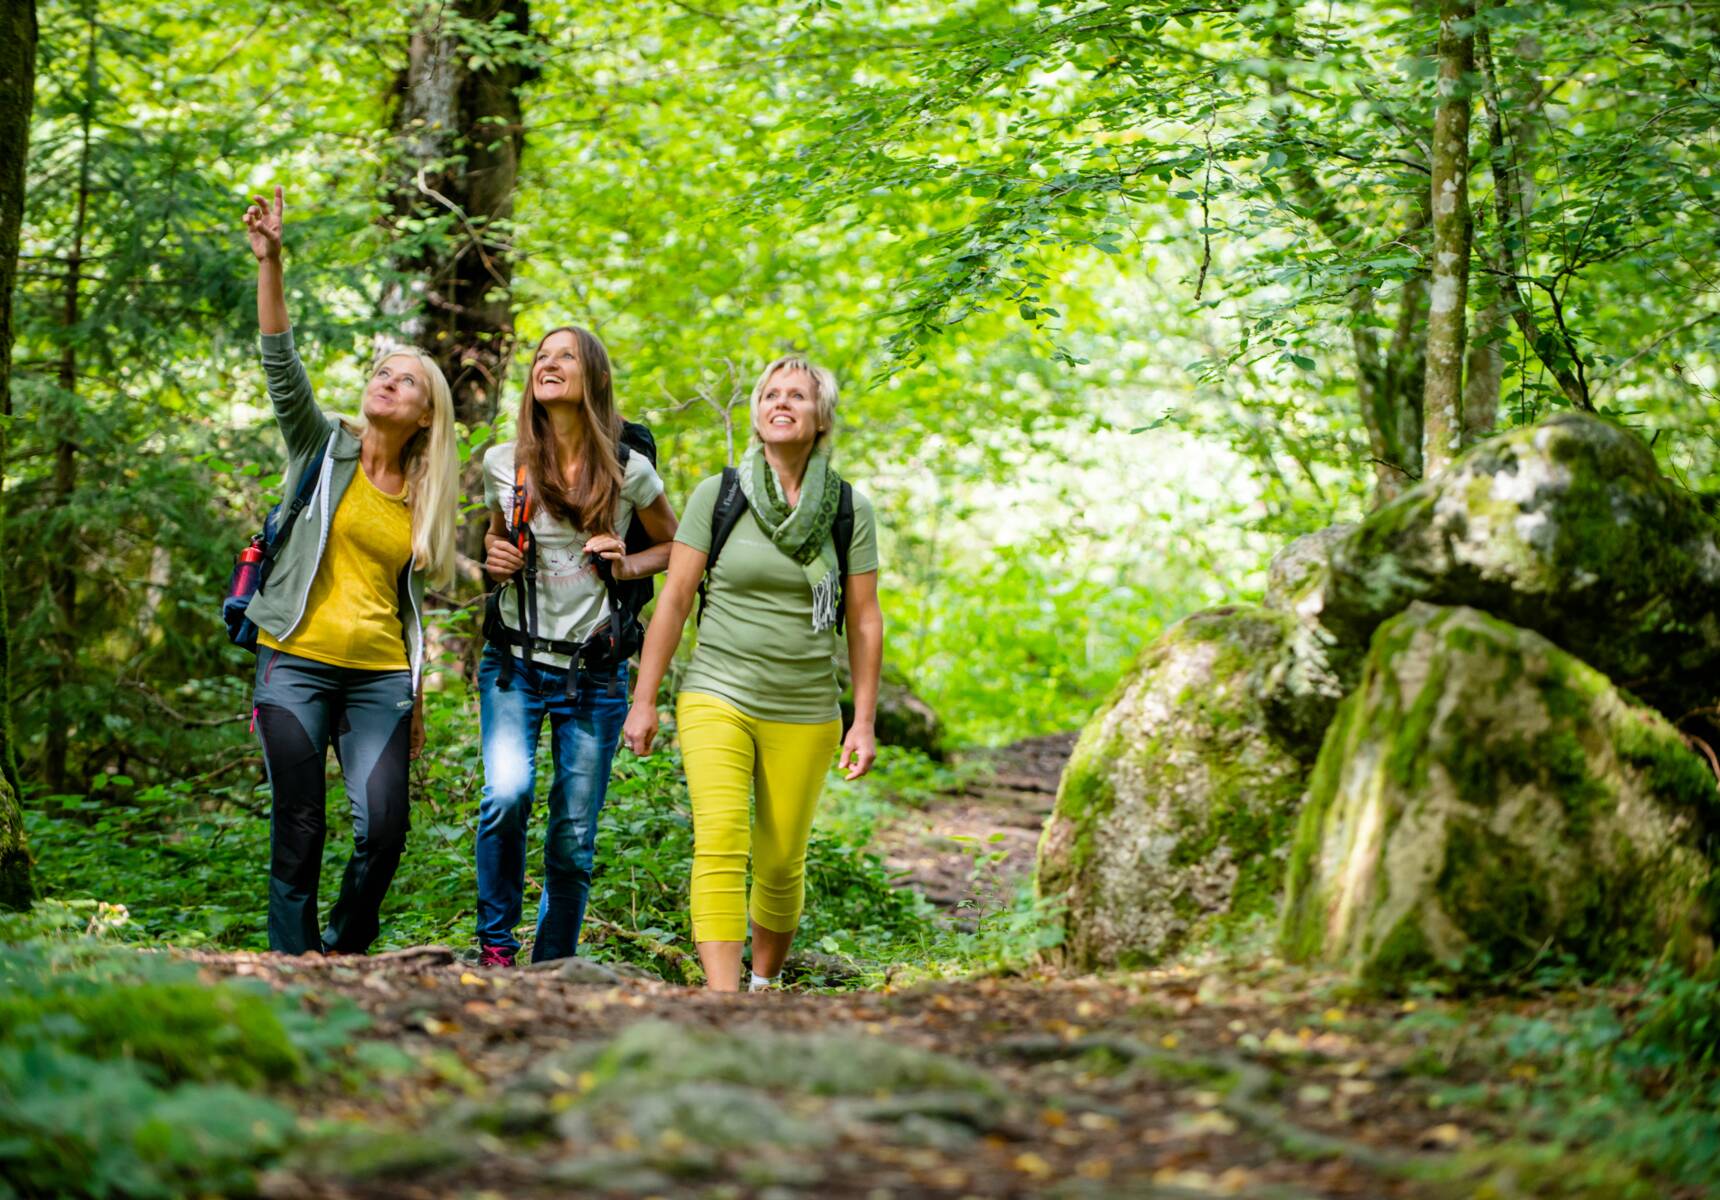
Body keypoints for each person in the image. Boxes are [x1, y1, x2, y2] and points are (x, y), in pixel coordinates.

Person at [241, 187, 458, 955]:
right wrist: (273, 262)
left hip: (379, 679)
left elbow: (415, 605)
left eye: (404, 381)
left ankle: (345, 948)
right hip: (295, 661)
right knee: (298, 823)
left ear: (426, 415)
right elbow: (280, 359)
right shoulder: (319, 447)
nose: (385, 382)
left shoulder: (427, 499)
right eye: (381, 372)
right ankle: (293, 965)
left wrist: (416, 688)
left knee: (386, 831)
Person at [622, 355, 884, 992]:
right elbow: (677, 599)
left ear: (821, 416)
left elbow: (865, 619)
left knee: (780, 863)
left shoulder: (848, 509)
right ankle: (723, 999)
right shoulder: (721, 495)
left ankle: (764, 987)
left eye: (798, 394)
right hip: (718, 693)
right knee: (720, 839)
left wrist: (865, 721)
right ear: (757, 411)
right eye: (771, 393)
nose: (781, 402)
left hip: (807, 708)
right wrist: (644, 699)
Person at [475, 326, 679, 967]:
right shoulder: (503, 462)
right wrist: (494, 556)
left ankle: (553, 964)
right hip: (512, 662)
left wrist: (625, 564)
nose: (548, 364)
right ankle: (497, 949)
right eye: (541, 356)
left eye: (565, 356)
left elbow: (674, 549)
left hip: (592, 676)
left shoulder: (629, 469)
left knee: (573, 833)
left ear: (593, 377)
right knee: (506, 797)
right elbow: (493, 540)